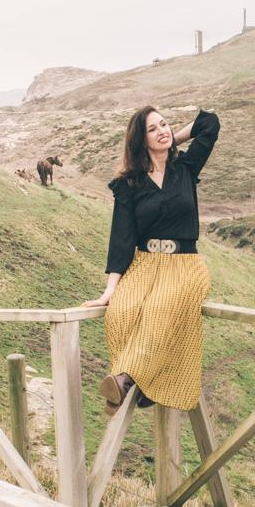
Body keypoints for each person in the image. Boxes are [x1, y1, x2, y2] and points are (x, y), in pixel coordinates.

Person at [81, 105, 220, 414]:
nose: (163, 130)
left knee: (160, 310)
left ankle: (126, 380)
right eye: (153, 129)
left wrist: (173, 139)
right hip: (144, 265)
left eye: (164, 124)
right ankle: (145, 385)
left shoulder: (186, 168)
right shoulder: (129, 184)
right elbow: (121, 239)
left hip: (185, 265)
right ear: (139, 140)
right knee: (122, 312)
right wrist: (109, 290)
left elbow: (209, 123)